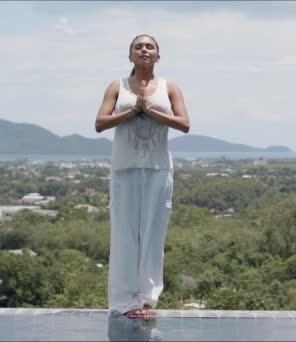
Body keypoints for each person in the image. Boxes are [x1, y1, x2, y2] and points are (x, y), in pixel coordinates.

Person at [95, 34, 190, 319]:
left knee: (152, 234)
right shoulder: (117, 86)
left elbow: (184, 124)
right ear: (130, 55)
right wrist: (134, 109)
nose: (144, 50)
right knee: (124, 234)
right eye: (139, 46)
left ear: (158, 56)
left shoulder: (169, 87)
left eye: (150, 47)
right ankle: (124, 302)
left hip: (158, 168)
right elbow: (100, 123)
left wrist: (150, 111)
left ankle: (147, 301)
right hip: (124, 168)